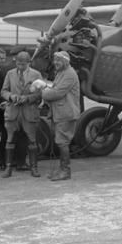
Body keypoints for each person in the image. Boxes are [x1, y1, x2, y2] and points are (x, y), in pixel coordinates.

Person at [0, 51, 43, 178]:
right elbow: (3, 91)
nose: (20, 66)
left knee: (32, 141)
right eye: (18, 64)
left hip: (29, 112)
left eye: (23, 64)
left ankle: (34, 168)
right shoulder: (10, 73)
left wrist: (28, 98)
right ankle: (8, 168)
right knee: (10, 140)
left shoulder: (36, 74)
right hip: (12, 112)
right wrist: (11, 96)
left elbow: (41, 94)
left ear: (29, 63)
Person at [39, 51, 80, 181]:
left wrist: (43, 92)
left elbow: (56, 93)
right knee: (61, 142)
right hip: (61, 112)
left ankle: (65, 171)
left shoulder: (69, 74)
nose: (55, 63)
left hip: (65, 113)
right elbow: (54, 89)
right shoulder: (62, 72)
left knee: (62, 142)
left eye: (58, 61)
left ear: (66, 62)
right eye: (55, 60)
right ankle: (62, 169)